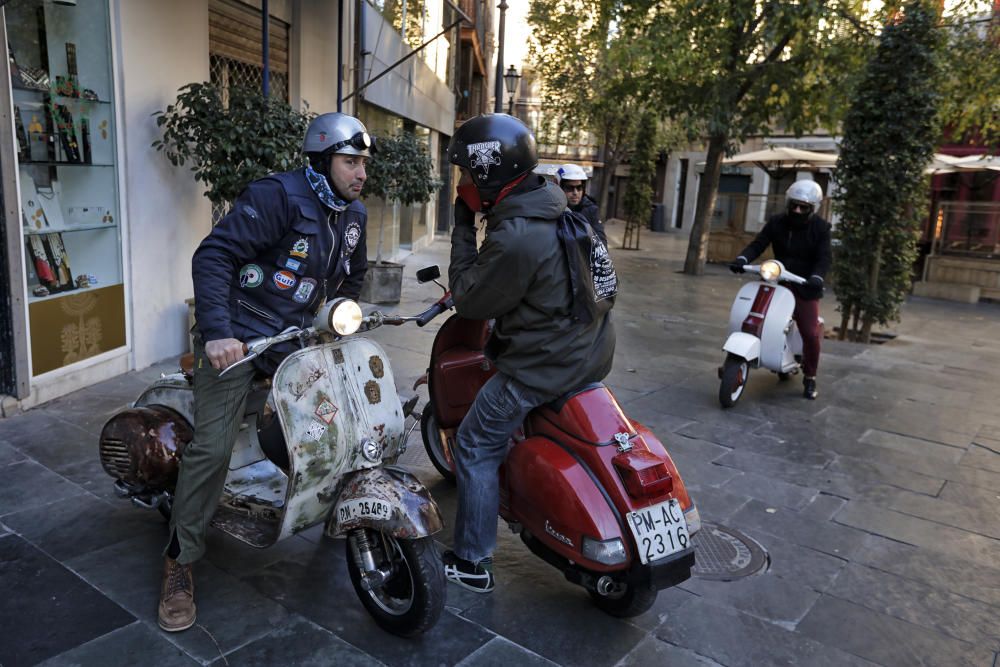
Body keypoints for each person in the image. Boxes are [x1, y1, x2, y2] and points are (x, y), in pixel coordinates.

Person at [157, 112, 372, 632]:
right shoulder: (277, 196)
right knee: (212, 446)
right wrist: (217, 333)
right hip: (239, 337)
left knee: (339, 415)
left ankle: (324, 500)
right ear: (322, 160)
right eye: (351, 162)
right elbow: (214, 255)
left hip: (296, 338)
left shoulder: (352, 215)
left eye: (364, 163)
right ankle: (179, 561)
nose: (361, 173)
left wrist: (338, 315)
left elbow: (355, 276)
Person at [442, 113, 616, 593]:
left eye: (464, 173)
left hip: (543, 367)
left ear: (486, 174)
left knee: (475, 443)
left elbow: (470, 298)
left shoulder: (517, 233)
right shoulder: (558, 208)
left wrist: (461, 229)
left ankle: (472, 562)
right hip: (592, 351)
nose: (460, 183)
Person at [729, 179, 832, 400]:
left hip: (805, 286)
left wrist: (816, 277)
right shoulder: (776, 222)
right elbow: (759, 243)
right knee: (756, 316)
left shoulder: (821, 229)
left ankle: (810, 376)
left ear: (812, 208)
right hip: (778, 280)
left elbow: (824, 258)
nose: (797, 210)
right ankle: (741, 356)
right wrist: (742, 258)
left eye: (803, 207)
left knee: (810, 332)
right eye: (794, 205)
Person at [556, 163, 606, 243]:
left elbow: (601, 240)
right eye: (569, 188)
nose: (575, 192)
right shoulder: (553, 210)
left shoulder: (591, 209)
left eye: (579, 187)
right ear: (559, 188)